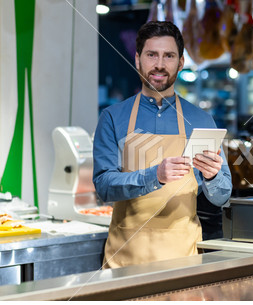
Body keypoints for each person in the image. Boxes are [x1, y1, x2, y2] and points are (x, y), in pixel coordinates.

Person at [93, 21, 232, 268]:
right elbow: (104, 187)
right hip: (125, 260)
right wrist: (155, 175)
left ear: (180, 63)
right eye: (151, 55)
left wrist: (212, 178)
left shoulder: (202, 120)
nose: (159, 64)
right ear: (137, 60)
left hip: (184, 260)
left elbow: (222, 196)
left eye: (169, 56)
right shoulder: (113, 118)